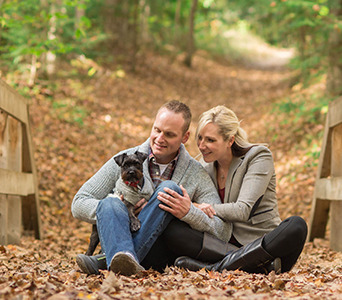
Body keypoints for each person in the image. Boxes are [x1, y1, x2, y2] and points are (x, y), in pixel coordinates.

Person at [71, 100, 230, 276]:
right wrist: (122, 213)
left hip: (159, 254)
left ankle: (108, 260)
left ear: (185, 137)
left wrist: (189, 212)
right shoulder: (124, 160)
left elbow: (222, 230)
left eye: (169, 134)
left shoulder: (196, 173)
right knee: (110, 203)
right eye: (157, 130)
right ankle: (121, 261)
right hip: (122, 239)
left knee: (169, 189)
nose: (160, 139)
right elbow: (79, 202)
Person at [169, 105, 307, 273]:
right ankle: (254, 266)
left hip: (264, 244)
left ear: (230, 140)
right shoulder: (203, 166)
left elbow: (243, 210)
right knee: (172, 228)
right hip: (221, 244)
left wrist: (198, 207)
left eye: (210, 140)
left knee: (297, 225)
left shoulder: (258, 157)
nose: (202, 146)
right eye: (200, 138)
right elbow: (184, 199)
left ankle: (217, 267)